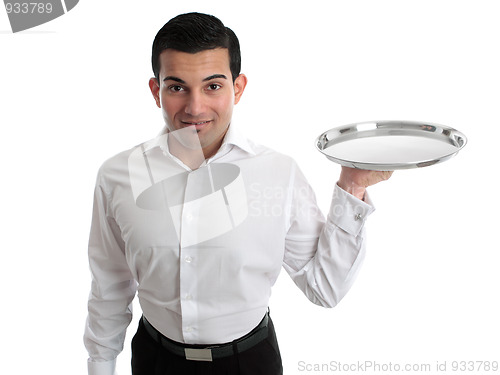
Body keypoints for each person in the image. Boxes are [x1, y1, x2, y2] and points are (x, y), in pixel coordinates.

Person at [84, 12, 392, 375]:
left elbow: (323, 287)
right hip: (155, 360)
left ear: (238, 87)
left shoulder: (279, 173)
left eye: (212, 86)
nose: (195, 108)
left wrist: (352, 186)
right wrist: (100, 365)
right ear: (157, 91)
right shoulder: (117, 175)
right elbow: (110, 286)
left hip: (250, 363)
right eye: (177, 86)